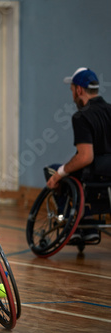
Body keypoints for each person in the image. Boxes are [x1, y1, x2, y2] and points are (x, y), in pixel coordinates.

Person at [46, 67, 111, 242]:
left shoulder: (82, 116)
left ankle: (73, 223)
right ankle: (87, 222)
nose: (72, 94)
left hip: (94, 176)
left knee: (53, 171)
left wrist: (60, 173)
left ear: (79, 90)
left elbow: (85, 157)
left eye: (72, 90)